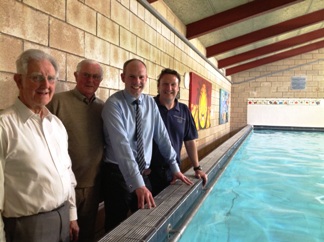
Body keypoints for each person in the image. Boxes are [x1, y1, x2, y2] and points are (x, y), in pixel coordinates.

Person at [101, 59, 193, 232]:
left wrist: (175, 168)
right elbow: (122, 148)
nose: (137, 82)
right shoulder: (113, 105)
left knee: (147, 224)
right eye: (132, 77)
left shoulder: (150, 103)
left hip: (143, 174)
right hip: (117, 174)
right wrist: (138, 185)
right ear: (123, 77)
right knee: (115, 226)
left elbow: (162, 137)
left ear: (146, 78)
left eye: (141, 77)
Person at [0, 49, 79, 242]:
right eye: (37, 77)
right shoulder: (4, 126)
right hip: (29, 228)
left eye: (51, 79)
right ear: (19, 80)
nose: (46, 85)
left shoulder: (56, 124)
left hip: (63, 220)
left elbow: (67, 172)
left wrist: (72, 215)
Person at [47, 59, 104, 242]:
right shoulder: (57, 102)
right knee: (62, 235)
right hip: (63, 188)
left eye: (95, 77)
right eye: (86, 75)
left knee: (86, 235)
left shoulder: (103, 108)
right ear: (76, 76)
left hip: (93, 186)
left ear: (100, 81)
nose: (90, 80)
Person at [149, 68, 208, 196]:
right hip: (149, 172)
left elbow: (190, 141)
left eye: (173, 85)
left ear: (178, 88)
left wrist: (197, 168)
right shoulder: (148, 106)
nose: (169, 88)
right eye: (165, 84)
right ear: (158, 86)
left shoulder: (184, 110)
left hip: (173, 171)